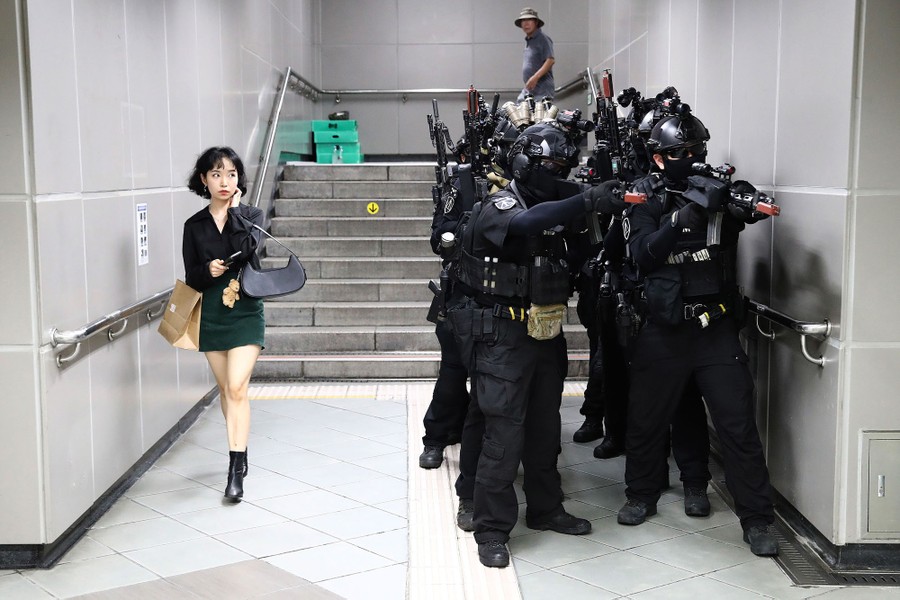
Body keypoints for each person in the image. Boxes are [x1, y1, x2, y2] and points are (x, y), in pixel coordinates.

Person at [450, 122, 623, 568]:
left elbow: (585, 259)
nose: (558, 172)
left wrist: (600, 212)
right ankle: (491, 528)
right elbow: (524, 223)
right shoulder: (501, 201)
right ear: (526, 161)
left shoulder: (560, 209)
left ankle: (547, 509)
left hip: (545, 333)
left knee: (545, 429)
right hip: (501, 335)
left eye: (564, 166)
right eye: (550, 164)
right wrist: (583, 201)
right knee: (503, 432)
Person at [618, 113, 778, 556]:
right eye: (677, 154)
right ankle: (641, 494)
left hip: (715, 328)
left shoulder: (719, 190)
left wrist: (740, 200)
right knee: (646, 419)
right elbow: (643, 255)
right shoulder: (645, 196)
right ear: (658, 157)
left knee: (737, 425)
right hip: (663, 329)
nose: (688, 159)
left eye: (695, 151)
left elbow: (754, 207)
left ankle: (757, 519)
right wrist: (683, 217)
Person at [183, 146, 264, 502]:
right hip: (212, 314)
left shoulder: (251, 215)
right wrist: (207, 270)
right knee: (227, 391)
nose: (224, 181)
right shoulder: (194, 226)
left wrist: (236, 213)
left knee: (235, 388)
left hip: (245, 309)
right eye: (216, 174)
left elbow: (248, 249)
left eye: (231, 174)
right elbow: (191, 277)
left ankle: (234, 471)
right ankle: (241, 450)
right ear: (204, 179)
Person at [515, 8, 555, 102]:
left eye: (529, 20)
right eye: (523, 20)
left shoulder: (542, 39)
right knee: (517, 107)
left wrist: (535, 78)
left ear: (536, 22)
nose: (526, 23)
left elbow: (550, 60)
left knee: (539, 115)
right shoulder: (530, 41)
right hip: (530, 90)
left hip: (542, 91)